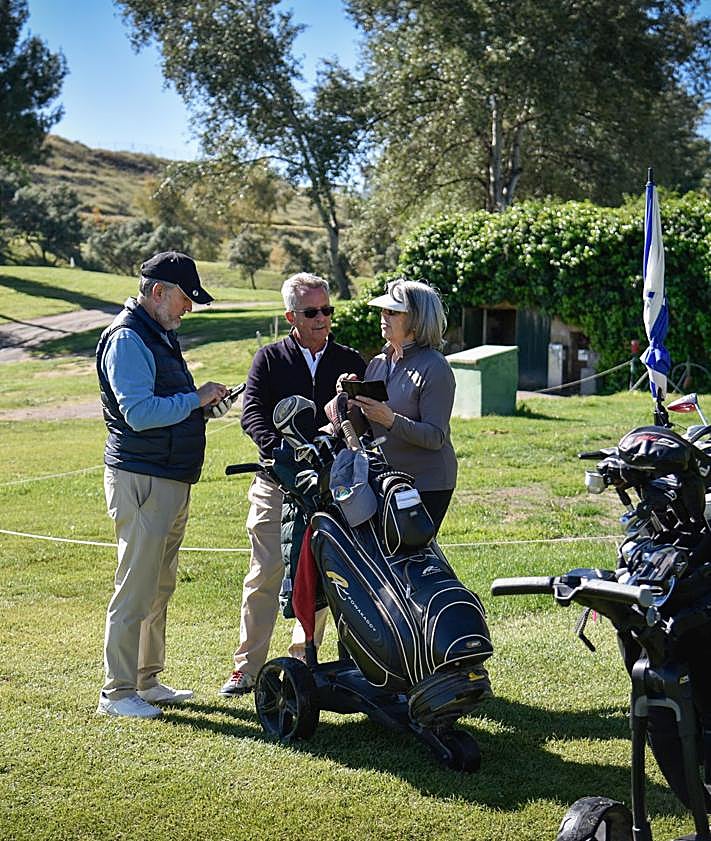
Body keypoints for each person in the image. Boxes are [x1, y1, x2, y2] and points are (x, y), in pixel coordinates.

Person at [96, 251, 233, 719]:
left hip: (169, 478)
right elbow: (138, 413)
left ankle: (146, 682)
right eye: (184, 299)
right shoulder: (129, 338)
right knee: (135, 588)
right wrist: (194, 399)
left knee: (159, 587)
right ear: (158, 292)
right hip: (142, 478)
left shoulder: (157, 332)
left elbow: (169, 404)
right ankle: (116, 694)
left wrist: (201, 407)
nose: (187, 308)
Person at [220, 272, 366, 697]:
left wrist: (332, 438)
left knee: (324, 575)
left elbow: (359, 414)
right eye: (312, 312)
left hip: (330, 487)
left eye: (327, 310)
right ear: (291, 317)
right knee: (265, 573)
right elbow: (252, 415)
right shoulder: (269, 359)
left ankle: (305, 663)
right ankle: (246, 668)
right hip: (275, 483)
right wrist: (279, 449)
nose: (322, 318)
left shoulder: (349, 361)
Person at [351, 278, 457, 533]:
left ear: (416, 320)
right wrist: (350, 398)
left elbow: (435, 437)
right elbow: (367, 424)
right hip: (387, 479)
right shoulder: (378, 362)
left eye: (393, 311)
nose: (383, 316)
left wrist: (390, 420)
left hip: (428, 483)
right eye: (383, 310)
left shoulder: (436, 367)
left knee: (414, 557)